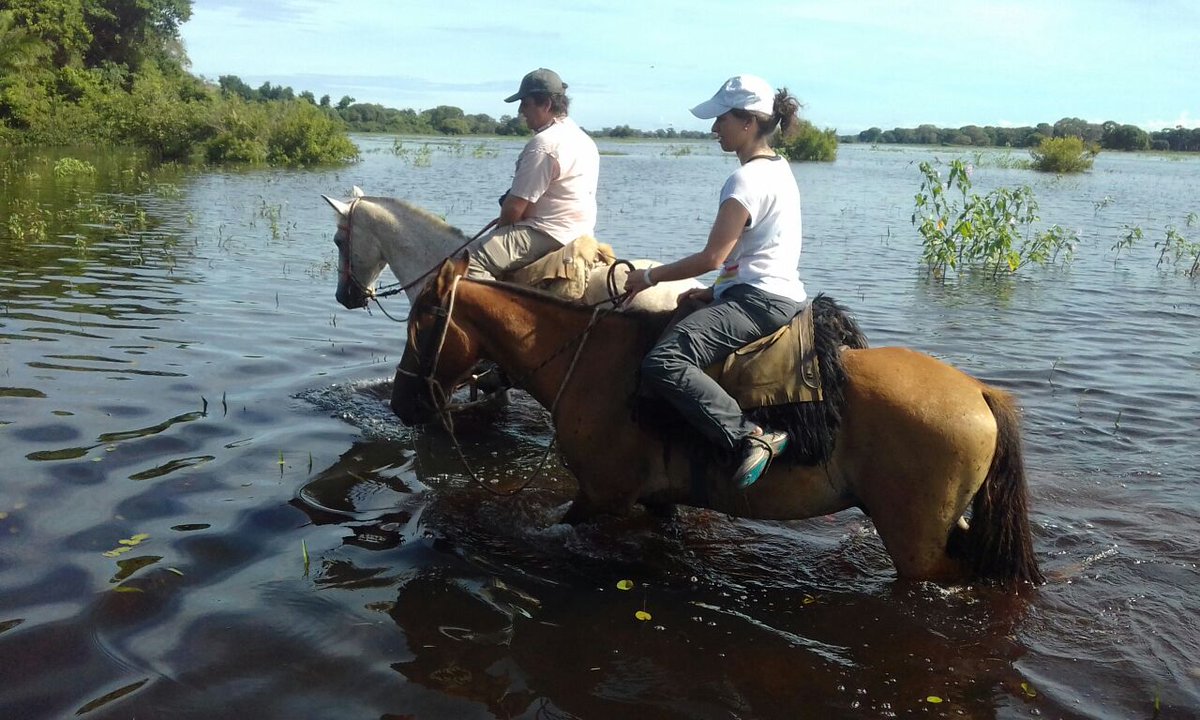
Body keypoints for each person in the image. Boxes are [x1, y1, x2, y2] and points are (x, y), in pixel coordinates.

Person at [624, 74, 806, 489]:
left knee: (663, 362)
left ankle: (750, 437)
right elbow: (756, 250)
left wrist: (648, 276)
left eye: (720, 119)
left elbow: (713, 256)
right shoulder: (778, 167)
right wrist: (715, 291)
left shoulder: (744, 180)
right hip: (774, 292)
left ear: (748, 122)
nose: (713, 128)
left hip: (759, 300)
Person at [467, 68, 600, 280]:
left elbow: (515, 206)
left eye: (525, 104)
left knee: (467, 260)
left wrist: (499, 232)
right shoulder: (583, 139)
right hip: (579, 232)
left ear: (546, 104)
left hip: (548, 233)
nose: (521, 111)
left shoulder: (544, 143)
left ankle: (497, 312)